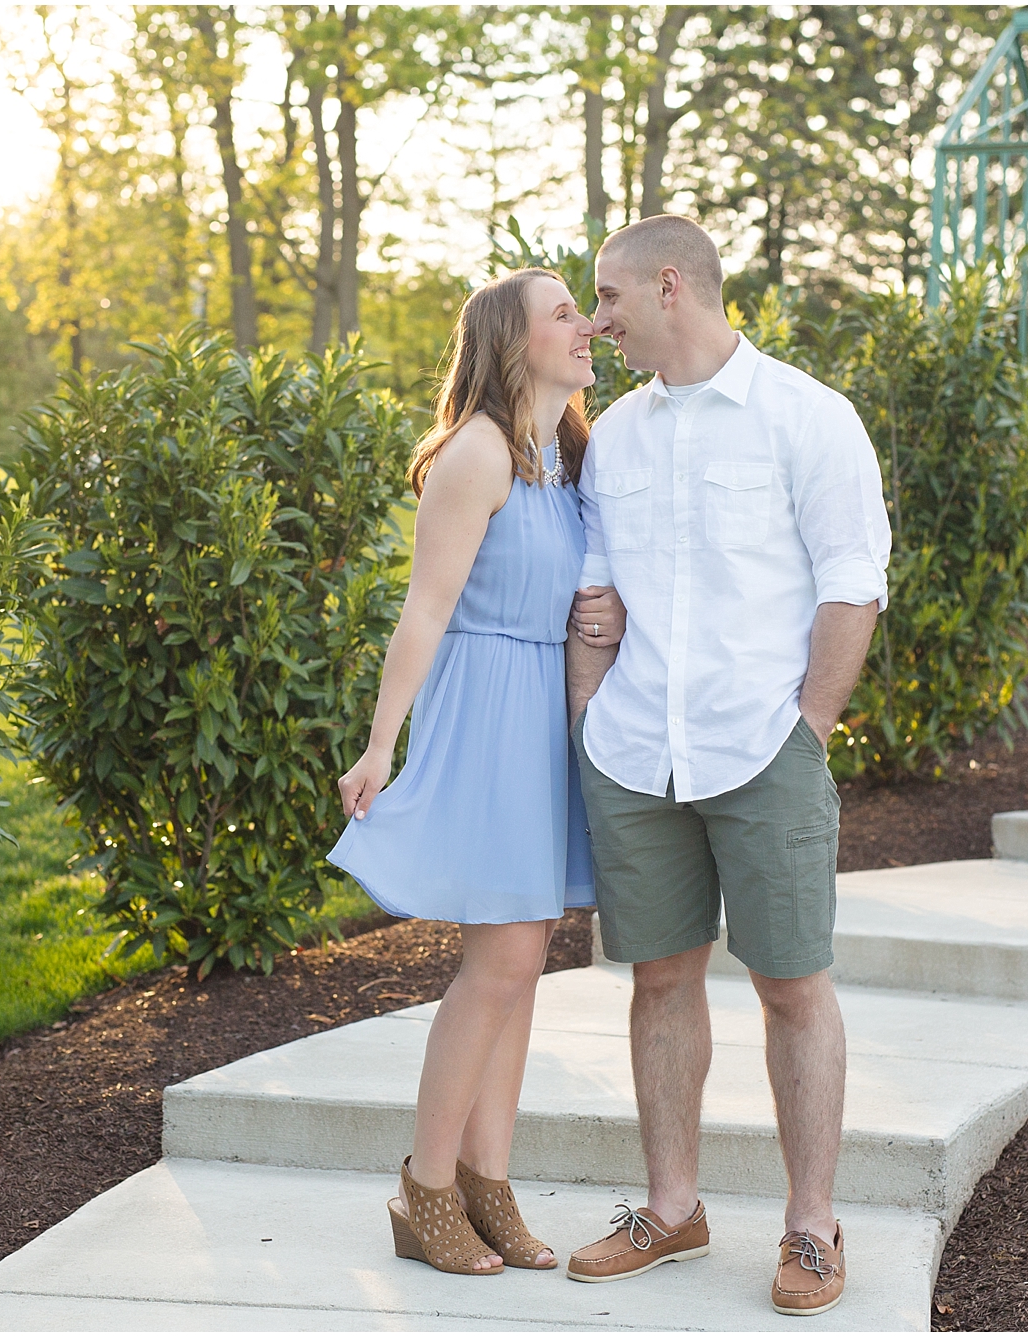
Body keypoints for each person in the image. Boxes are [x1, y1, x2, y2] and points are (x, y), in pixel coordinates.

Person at [561, 215, 892, 1318]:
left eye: (607, 299)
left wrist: (807, 726)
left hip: (763, 747)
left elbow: (853, 582)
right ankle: (670, 1206)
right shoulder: (612, 433)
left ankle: (810, 1223)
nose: (595, 322)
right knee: (659, 977)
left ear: (669, 286)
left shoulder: (809, 417)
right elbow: (595, 597)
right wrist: (585, 722)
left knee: (791, 984)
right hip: (632, 748)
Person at [328, 267, 628, 1276]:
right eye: (562, 313)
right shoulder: (479, 452)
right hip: (489, 714)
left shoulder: (568, 455)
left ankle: (485, 1182)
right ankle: (425, 1186)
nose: (585, 325)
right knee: (495, 962)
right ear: (513, 341)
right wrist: (381, 744)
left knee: (524, 959)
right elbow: (424, 608)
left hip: (549, 716)